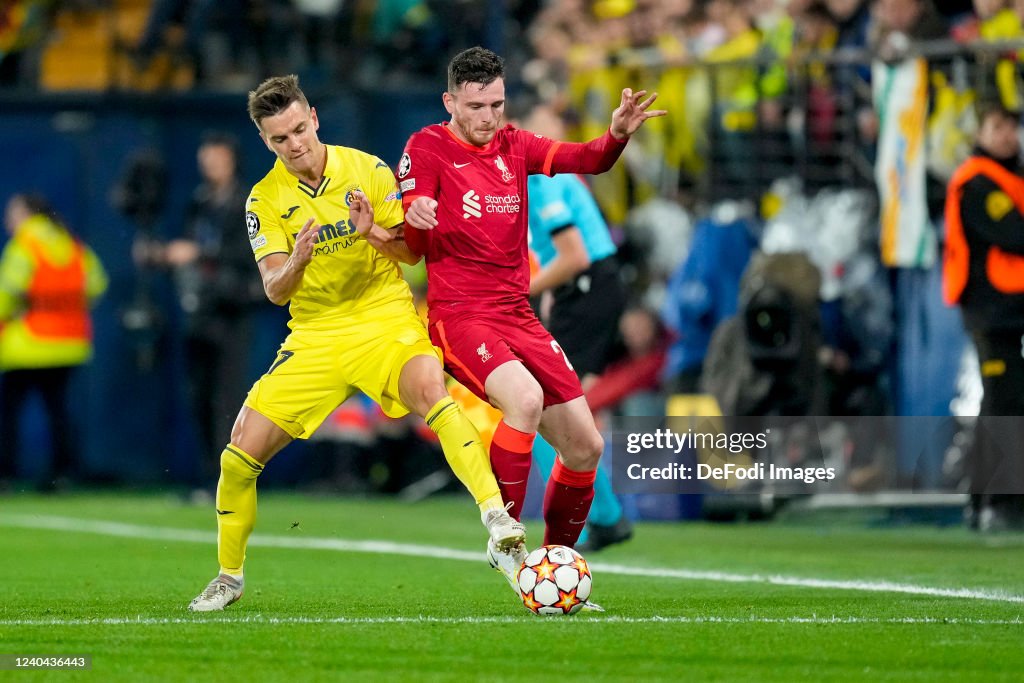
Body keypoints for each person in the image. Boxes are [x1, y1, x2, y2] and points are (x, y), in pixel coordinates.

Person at [188, 74, 524, 611]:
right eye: (280, 138)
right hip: (318, 334)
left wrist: (370, 232)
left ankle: (497, 518)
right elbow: (275, 290)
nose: (295, 144)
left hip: (381, 316)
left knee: (431, 391)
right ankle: (228, 576)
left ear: (315, 117)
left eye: (300, 129)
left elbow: (410, 256)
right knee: (237, 456)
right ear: (265, 141)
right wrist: (297, 257)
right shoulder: (264, 200)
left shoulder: (367, 169)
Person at [398, 46, 664, 601]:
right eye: (475, 106)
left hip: (517, 314)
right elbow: (418, 244)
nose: (488, 117)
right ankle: (506, 534)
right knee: (524, 400)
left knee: (586, 447)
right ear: (450, 101)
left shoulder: (514, 144)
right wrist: (416, 214)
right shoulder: (426, 146)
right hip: (460, 315)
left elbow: (588, 160)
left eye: (497, 103)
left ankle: (553, 569)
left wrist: (616, 134)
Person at [509, 96, 633, 553]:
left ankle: (589, 518)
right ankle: (603, 516)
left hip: (587, 286)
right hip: (581, 290)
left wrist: (523, 292)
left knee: (544, 407)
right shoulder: (525, 178)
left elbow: (574, 256)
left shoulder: (539, 178)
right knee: (559, 407)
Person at [135, 132, 265, 493]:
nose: (210, 165)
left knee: (227, 399)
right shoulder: (201, 201)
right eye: (205, 159)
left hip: (231, 312)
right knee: (201, 399)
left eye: (217, 158)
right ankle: (210, 476)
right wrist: (161, 256)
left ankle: (232, 481)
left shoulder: (246, 202)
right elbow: (191, 249)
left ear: (232, 160)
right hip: (199, 311)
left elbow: (244, 259)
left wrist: (199, 256)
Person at [943, 101, 1024, 531]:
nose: (1007, 135)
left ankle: (981, 500)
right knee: (1006, 402)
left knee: (1001, 402)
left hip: (1012, 309)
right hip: (993, 311)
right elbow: (1014, 234)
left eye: (1011, 126)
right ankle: (1002, 503)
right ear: (980, 134)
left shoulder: (1011, 178)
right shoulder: (977, 182)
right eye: (997, 127)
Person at [0, 194, 108, 491]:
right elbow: (97, 283)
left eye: (13, 212)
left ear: (27, 214)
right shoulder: (70, 244)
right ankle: (62, 474)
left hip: (29, 343)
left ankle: (6, 474)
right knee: (58, 411)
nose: (8, 219)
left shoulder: (25, 245)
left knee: (10, 412)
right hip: (70, 343)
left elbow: (7, 293)